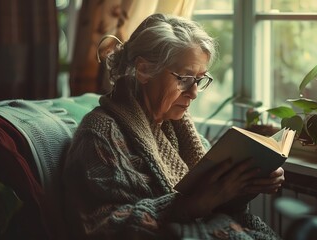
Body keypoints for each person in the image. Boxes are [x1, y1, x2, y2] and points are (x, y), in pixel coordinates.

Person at [62, 13, 285, 240]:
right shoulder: (99, 134)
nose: (194, 93)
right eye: (184, 78)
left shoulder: (180, 130)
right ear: (144, 70)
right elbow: (103, 228)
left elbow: (217, 206)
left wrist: (244, 185)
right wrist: (190, 204)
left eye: (199, 79)